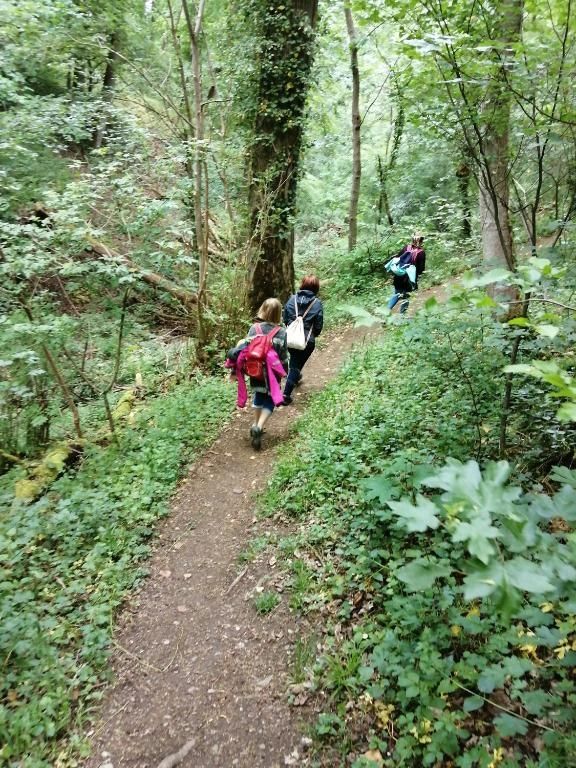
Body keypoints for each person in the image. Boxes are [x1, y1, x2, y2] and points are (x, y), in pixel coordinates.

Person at [244, 298, 289, 451]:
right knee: (270, 399)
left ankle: (255, 425)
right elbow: (283, 356)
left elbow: (245, 348)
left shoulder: (253, 329)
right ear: (279, 314)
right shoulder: (281, 332)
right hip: (272, 374)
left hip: (255, 370)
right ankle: (259, 426)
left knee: (258, 396)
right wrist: (285, 371)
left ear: (262, 310)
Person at [282, 274, 324, 406]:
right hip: (307, 342)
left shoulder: (291, 299)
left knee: (294, 359)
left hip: (290, 337)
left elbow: (285, 318)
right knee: (296, 365)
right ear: (316, 288)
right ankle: (286, 395)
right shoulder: (317, 303)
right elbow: (318, 326)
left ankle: (296, 376)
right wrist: (312, 335)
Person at [386, 233, 426, 314]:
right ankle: (402, 317)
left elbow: (398, 258)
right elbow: (421, 269)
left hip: (399, 275)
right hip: (409, 279)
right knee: (406, 296)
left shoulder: (406, 248)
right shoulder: (421, 252)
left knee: (397, 294)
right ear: (421, 241)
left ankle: (386, 311)